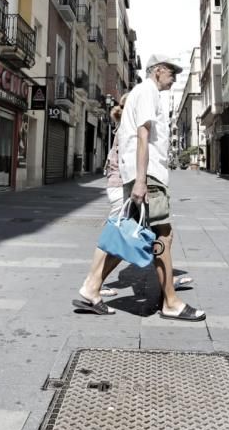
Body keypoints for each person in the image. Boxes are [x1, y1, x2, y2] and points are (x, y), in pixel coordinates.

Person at [73, 55, 205, 322]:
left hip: (141, 174)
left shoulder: (143, 93)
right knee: (162, 237)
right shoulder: (147, 92)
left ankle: (91, 288)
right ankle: (171, 301)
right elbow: (143, 136)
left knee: (129, 234)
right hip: (147, 175)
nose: (175, 77)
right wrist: (143, 179)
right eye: (172, 71)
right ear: (157, 71)